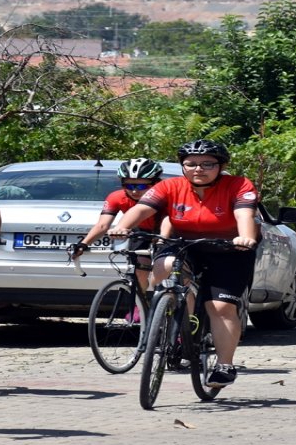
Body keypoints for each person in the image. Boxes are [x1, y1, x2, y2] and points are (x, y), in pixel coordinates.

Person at [107, 140, 259, 389]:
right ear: (182, 166)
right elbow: (143, 208)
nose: (198, 169)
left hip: (229, 248)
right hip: (186, 243)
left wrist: (246, 237)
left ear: (221, 166)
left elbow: (245, 214)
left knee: (220, 307)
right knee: (165, 264)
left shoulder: (239, 185)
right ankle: (175, 308)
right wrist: (123, 227)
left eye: (207, 164)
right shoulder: (170, 186)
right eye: (191, 164)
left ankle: (224, 365)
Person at [70, 158, 169, 295]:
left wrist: (162, 239)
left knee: (165, 271)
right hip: (141, 232)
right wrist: (83, 244)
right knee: (139, 273)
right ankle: (140, 304)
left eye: (141, 187)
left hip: (169, 232)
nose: (134, 191)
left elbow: (168, 219)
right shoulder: (116, 197)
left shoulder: (166, 194)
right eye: (128, 186)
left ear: (156, 183)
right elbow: (103, 225)